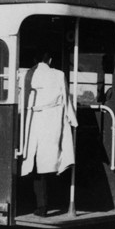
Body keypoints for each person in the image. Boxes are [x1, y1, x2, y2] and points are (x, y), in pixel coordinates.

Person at [22, 51, 78, 217]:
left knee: (34, 163)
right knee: (50, 162)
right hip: (52, 121)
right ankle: (48, 204)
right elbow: (66, 99)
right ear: (50, 60)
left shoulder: (27, 75)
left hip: (32, 120)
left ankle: (41, 205)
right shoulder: (58, 74)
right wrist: (73, 119)